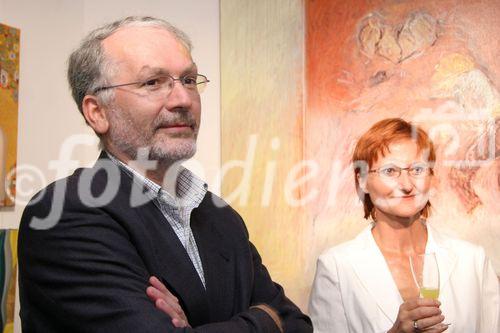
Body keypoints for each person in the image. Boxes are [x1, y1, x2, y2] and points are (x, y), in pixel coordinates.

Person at [18, 16, 312, 333]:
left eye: (188, 80)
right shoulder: (63, 213)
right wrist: (266, 320)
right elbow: (281, 319)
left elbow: (299, 324)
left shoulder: (221, 216)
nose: (183, 99)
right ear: (98, 112)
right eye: (152, 83)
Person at [309, 118, 499, 333]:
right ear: (362, 180)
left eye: (417, 169)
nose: (407, 185)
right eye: (390, 171)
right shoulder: (336, 267)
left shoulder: (472, 260)